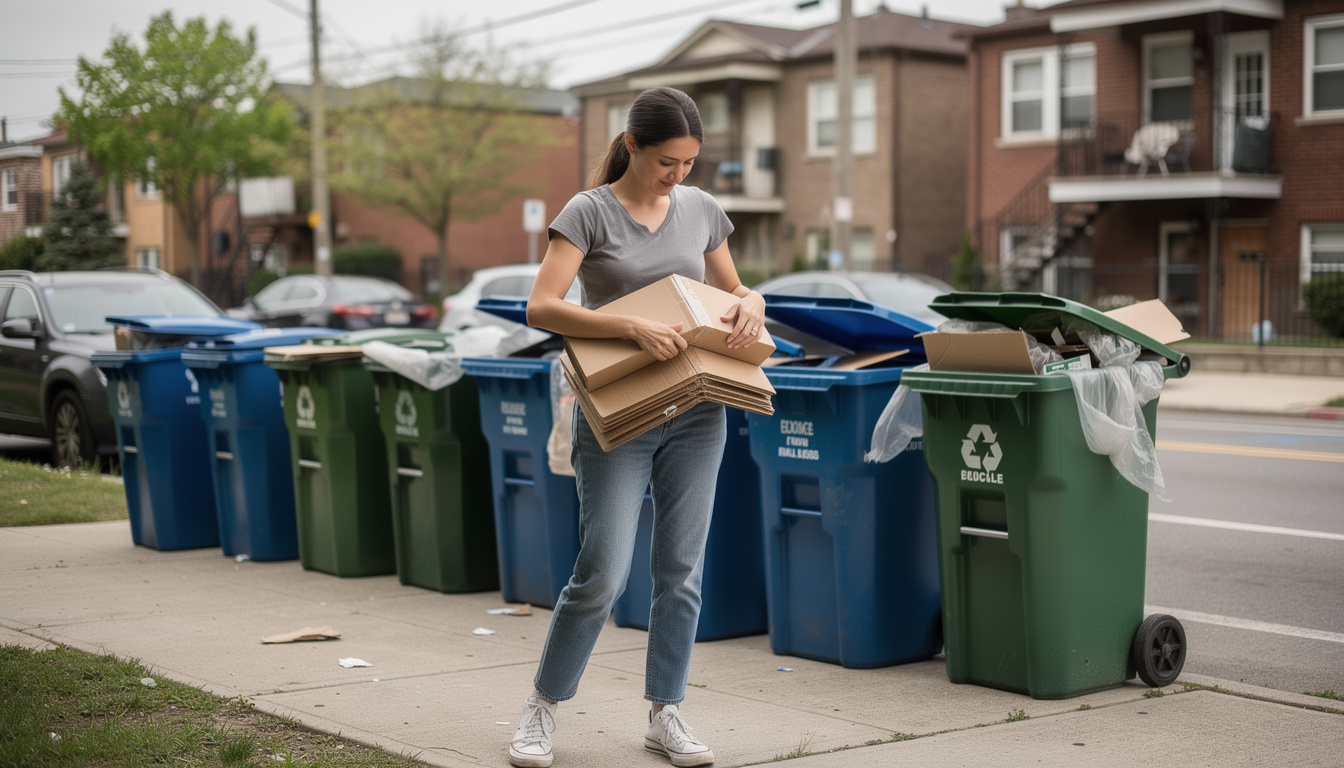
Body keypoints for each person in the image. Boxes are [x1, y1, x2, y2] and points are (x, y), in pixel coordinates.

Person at [508, 86, 765, 768]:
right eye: (666, 163)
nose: (677, 176)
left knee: (680, 570)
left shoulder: (702, 210)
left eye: (687, 163)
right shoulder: (588, 213)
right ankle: (541, 709)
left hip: (699, 410)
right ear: (632, 147)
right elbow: (542, 306)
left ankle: (665, 713)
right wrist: (627, 323)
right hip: (619, 411)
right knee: (602, 571)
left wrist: (754, 302)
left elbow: (733, 290)